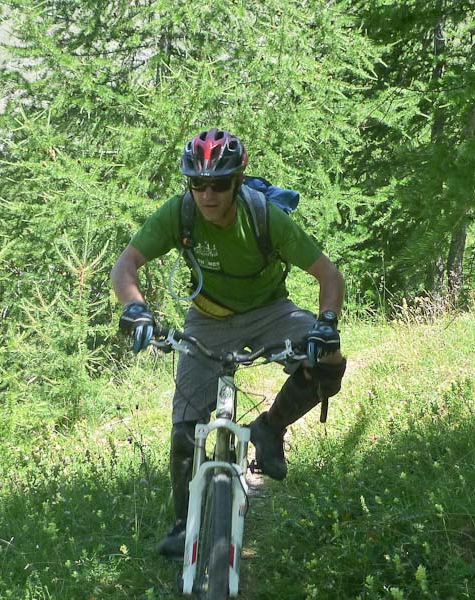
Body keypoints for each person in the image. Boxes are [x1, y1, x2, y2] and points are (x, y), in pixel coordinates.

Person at [110, 128, 347, 558]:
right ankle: (183, 525)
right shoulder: (179, 214)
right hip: (208, 318)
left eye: (218, 184)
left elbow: (329, 276)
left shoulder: (263, 217)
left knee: (328, 361)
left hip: (270, 311)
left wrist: (325, 324)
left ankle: (269, 428)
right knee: (185, 432)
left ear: (238, 181)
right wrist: (135, 309)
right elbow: (126, 264)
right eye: (197, 183)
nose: (207, 194)